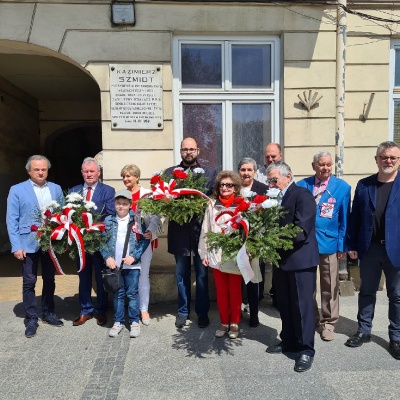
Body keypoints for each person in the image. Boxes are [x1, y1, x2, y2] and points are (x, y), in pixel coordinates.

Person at [345, 141, 400, 360]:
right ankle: (364, 331)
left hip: (396, 250)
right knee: (367, 291)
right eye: (384, 157)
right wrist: (352, 245)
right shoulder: (364, 185)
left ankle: (396, 337)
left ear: (398, 160)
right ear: (376, 159)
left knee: (396, 296)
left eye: (392, 158)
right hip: (370, 248)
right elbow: (355, 217)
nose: (388, 161)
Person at [265, 161, 319, 373]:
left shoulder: (302, 195)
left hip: (300, 260)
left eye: (274, 179)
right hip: (281, 260)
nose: (271, 183)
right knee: (284, 304)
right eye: (269, 180)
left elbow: (301, 229)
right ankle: (288, 340)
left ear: (288, 176)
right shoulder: (275, 197)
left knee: (302, 307)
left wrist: (272, 239)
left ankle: (306, 349)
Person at [6, 155, 64, 338]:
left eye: (44, 169)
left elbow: (63, 215)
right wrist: (16, 246)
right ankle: (31, 318)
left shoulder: (56, 189)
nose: (40, 172)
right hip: (27, 243)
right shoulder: (17, 190)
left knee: (50, 279)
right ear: (29, 171)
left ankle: (48, 313)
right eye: (37, 169)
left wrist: (62, 239)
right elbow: (12, 219)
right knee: (29, 281)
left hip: (50, 242)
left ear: (47, 170)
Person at [297, 151, 351, 341]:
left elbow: (345, 218)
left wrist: (342, 245)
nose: (325, 168)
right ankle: (312, 318)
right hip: (305, 243)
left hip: (329, 242)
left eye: (328, 164)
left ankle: (328, 323)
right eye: (321, 164)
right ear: (314, 166)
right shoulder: (302, 185)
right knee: (308, 285)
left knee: (330, 284)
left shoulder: (342, 187)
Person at [164, 137, 217, 329]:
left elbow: (214, 198)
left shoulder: (210, 173)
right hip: (179, 231)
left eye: (191, 149)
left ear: (198, 151)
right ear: (180, 151)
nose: (188, 152)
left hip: (200, 231)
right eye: (185, 149)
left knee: (202, 274)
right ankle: (183, 311)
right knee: (181, 273)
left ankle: (202, 313)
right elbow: (164, 198)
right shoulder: (170, 173)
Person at [69, 157, 115, 326]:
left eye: (92, 171)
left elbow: (110, 215)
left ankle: (102, 310)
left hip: (99, 242)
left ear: (98, 173)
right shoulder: (74, 191)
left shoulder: (108, 191)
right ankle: (85, 310)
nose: (89, 174)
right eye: (86, 172)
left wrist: (95, 229)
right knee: (84, 276)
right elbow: (68, 215)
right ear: (82, 173)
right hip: (80, 243)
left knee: (101, 276)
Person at [199, 171, 243, 339]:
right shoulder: (212, 205)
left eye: (229, 185)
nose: (225, 188)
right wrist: (204, 252)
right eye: (222, 185)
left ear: (235, 187)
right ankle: (224, 322)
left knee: (234, 290)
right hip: (216, 254)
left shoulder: (241, 204)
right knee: (221, 291)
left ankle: (235, 323)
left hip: (235, 254)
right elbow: (205, 229)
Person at [100, 190, 150, 338]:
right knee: (118, 294)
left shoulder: (137, 220)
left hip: (132, 265)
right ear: (114, 204)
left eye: (124, 204)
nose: (121, 206)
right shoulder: (108, 221)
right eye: (118, 203)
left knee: (132, 294)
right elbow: (101, 241)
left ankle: (134, 321)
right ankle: (118, 321)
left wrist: (134, 257)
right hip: (115, 265)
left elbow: (145, 240)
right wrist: (107, 257)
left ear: (130, 205)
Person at [121, 164, 160, 325]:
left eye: (129, 176)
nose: (126, 179)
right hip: (125, 242)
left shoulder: (147, 195)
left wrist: (151, 230)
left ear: (137, 177)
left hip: (143, 241)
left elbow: (156, 216)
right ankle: (130, 308)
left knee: (143, 275)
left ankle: (143, 309)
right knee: (128, 276)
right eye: (123, 176)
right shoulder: (121, 195)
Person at [238, 157, 268, 327]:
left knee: (254, 277)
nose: (246, 173)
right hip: (236, 240)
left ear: (255, 172)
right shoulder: (233, 189)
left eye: (249, 170)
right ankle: (239, 309)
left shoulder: (263, 190)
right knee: (239, 276)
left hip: (256, 240)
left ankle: (254, 314)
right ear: (238, 172)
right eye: (243, 170)